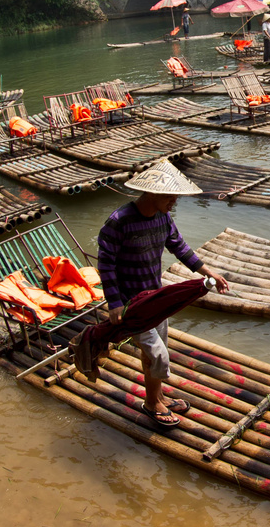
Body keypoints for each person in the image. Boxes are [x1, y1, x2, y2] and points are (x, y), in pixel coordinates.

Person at [97, 162, 230, 427]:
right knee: (157, 354)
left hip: (155, 297)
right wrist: (114, 303)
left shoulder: (163, 218)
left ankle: (157, 396)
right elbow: (106, 264)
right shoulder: (118, 222)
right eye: (171, 197)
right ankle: (151, 403)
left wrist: (209, 273)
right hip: (130, 303)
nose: (174, 202)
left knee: (157, 351)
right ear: (152, 194)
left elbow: (180, 248)